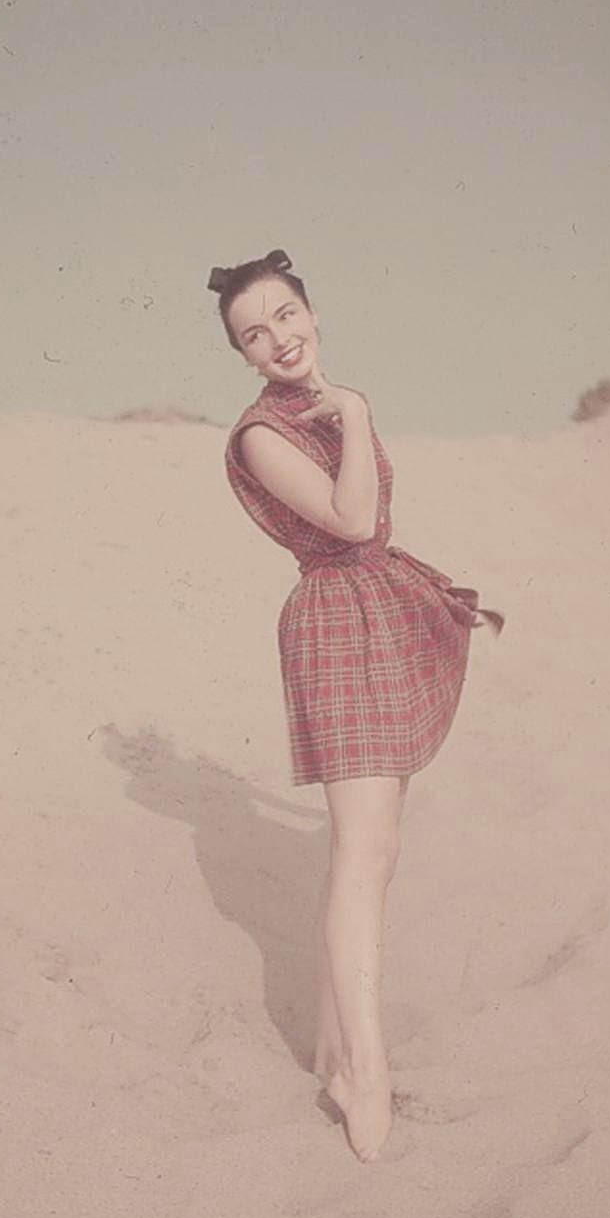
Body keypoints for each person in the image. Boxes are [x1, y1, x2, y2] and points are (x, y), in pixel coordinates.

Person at [212, 248, 504, 1163]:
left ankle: (339, 1050)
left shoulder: (322, 406)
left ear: (310, 314)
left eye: (285, 317)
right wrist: (361, 414)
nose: (278, 339)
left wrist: (345, 412)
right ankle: (365, 1076)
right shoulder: (261, 434)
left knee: (373, 849)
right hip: (336, 621)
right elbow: (349, 523)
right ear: (244, 356)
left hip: (380, 608)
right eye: (254, 334)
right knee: (365, 849)